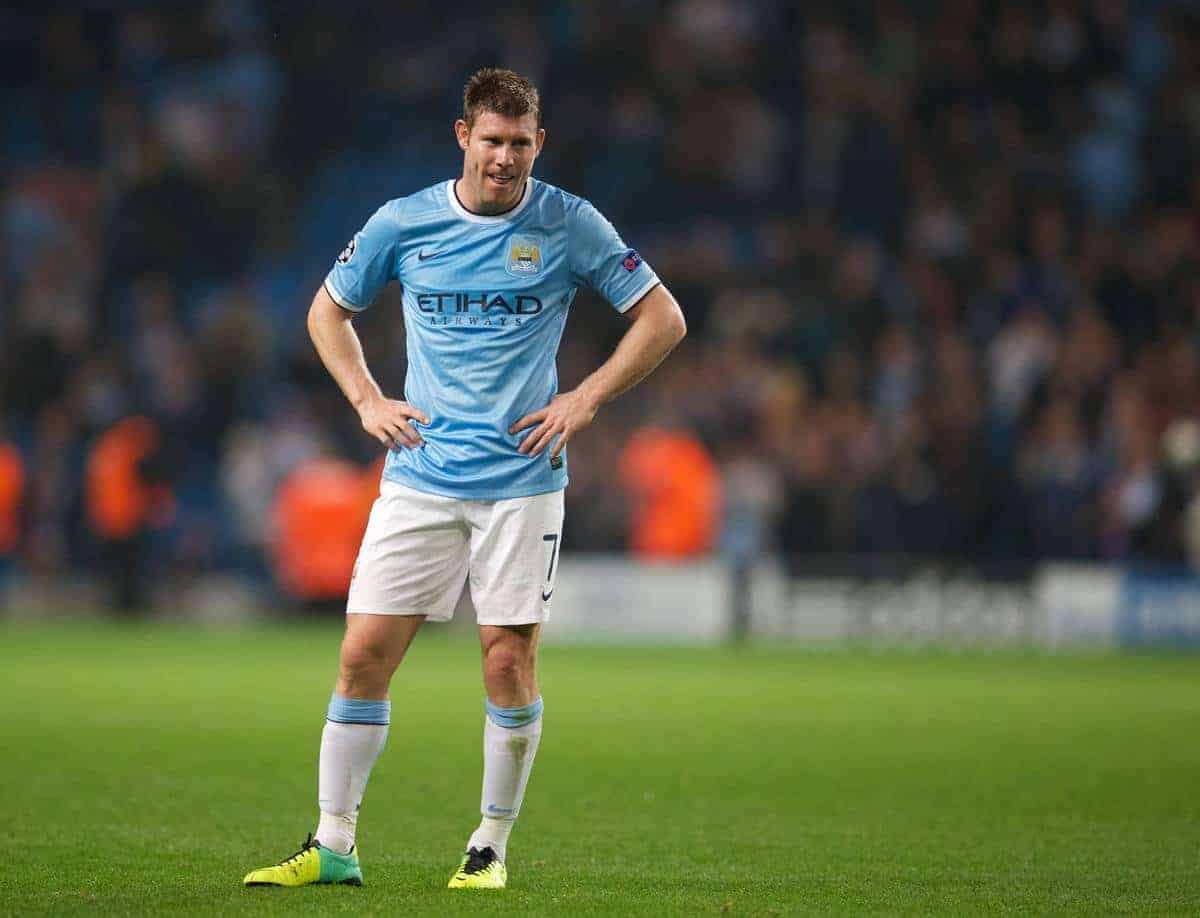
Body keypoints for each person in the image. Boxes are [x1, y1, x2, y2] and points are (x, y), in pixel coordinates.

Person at [243, 68, 686, 892]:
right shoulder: (404, 222)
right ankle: (333, 843)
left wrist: (585, 399)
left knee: (506, 664)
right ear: (463, 136)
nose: (505, 157)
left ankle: (488, 846)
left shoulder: (567, 222)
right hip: (420, 476)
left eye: (520, 143)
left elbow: (663, 316)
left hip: (521, 480)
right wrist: (367, 398)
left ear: (538, 144)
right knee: (363, 655)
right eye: (491, 140)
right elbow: (325, 311)